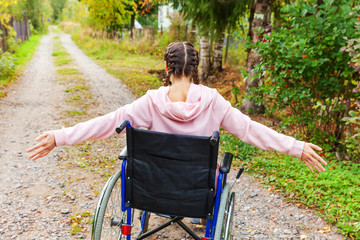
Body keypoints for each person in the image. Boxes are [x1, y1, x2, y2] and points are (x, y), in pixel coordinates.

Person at [27, 42, 327, 173]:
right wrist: (295, 146)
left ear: (166, 67)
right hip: (196, 184)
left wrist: (61, 136)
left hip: (154, 181)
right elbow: (250, 130)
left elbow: (107, 123)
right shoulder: (214, 102)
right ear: (195, 68)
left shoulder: (149, 104)